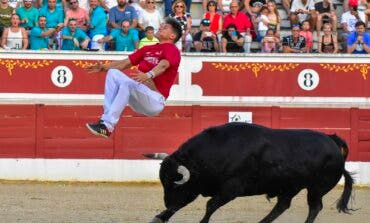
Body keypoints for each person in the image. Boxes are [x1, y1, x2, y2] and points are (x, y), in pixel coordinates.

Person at [85, 18, 182, 138]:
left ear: (172, 36)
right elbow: (125, 63)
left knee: (128, 84)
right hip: (138, 97)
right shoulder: (147, 49)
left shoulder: (172, 49)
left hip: (155, 100)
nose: (161, 26)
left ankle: (108, 126)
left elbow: (163, 65)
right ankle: (104, 122)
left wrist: (148, 75)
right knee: (113, 72)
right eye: (162, 25)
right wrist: (104, 67)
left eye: (165, 27)